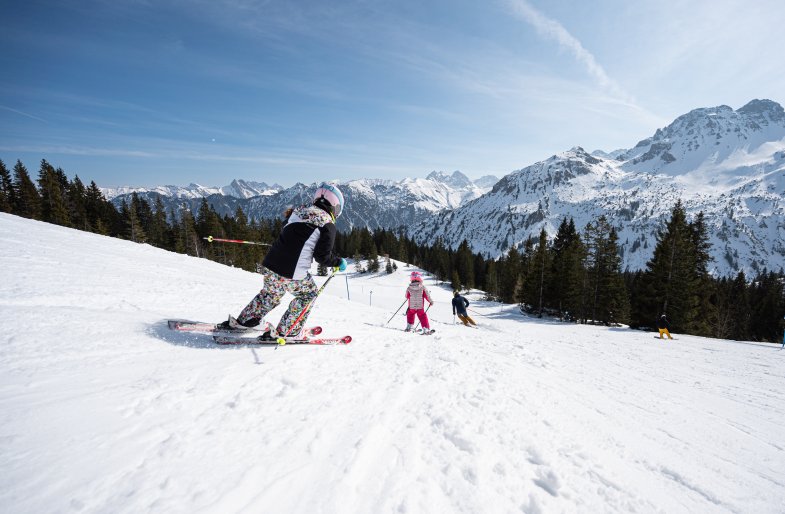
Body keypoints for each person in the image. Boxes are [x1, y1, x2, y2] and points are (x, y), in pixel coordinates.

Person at [219, 183, 347, 338]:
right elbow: (323, 257)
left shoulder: (299, 210)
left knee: (270, 294)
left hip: (271, 264)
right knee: (308, 295)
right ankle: (288, 331)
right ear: (335, 206)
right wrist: (338, 262)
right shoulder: (327, 224)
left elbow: (289, 232)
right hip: (293, 272)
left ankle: (246, 322)